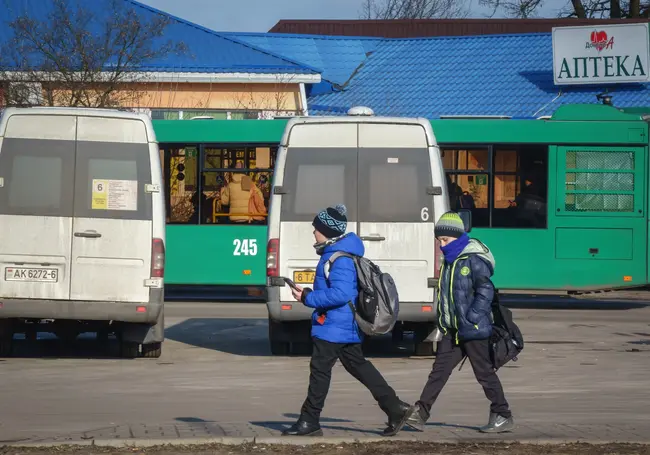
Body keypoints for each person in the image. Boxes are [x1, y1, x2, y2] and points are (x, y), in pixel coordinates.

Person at [282, 204, 415, 437]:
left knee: (320, 371)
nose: (313, 232)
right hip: (342, 326)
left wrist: (307, 296)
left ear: (326, 231)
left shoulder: (338, 258)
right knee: (359, 367)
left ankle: (309, 421)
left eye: (316, 228)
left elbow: (341, 294)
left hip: (334, 325)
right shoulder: (336, 254)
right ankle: (395, 408)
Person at [406, 211, 514, 433]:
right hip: (452, 330)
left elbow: (486, 290)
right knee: (439, 372)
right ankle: (421, 412)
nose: (441, 244)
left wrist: (472, 317)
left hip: (473, 329)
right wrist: (444, 321)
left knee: (484, 373)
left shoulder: (472, 259)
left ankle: (502, 414)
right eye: (439, 241)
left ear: (458, 236)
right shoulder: (450, 261)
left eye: (445, 240)